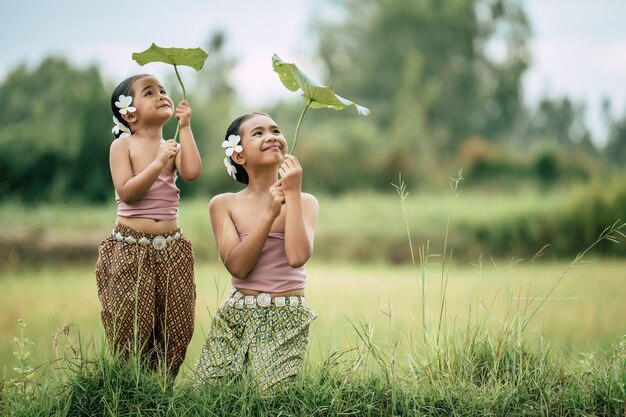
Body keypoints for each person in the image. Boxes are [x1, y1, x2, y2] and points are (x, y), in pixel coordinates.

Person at [195, 112, 319, 393]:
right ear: (238, 155)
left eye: (275, 130)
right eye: (258, 133)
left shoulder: (306, 202)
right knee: (211, 393)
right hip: (237, 313)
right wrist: (270, 212)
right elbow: (238, 267)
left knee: (270, 394)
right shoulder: (223, 204)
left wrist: (294, 193)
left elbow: (297, 256)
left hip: (286, 316)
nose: (271, 136)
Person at [95, 74, 202, 378]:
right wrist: (157, 163)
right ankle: (132, 387)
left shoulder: (172, 145)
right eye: (149, 92)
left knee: (177, 322)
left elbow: (192, 172)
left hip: (172, 247)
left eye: (163, 90)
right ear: (129, 112)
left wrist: (185, 128)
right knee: (131, 321)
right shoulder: (122, 146)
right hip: (131, 247)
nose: (162, 95)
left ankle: (162, 388)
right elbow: (128, 191)